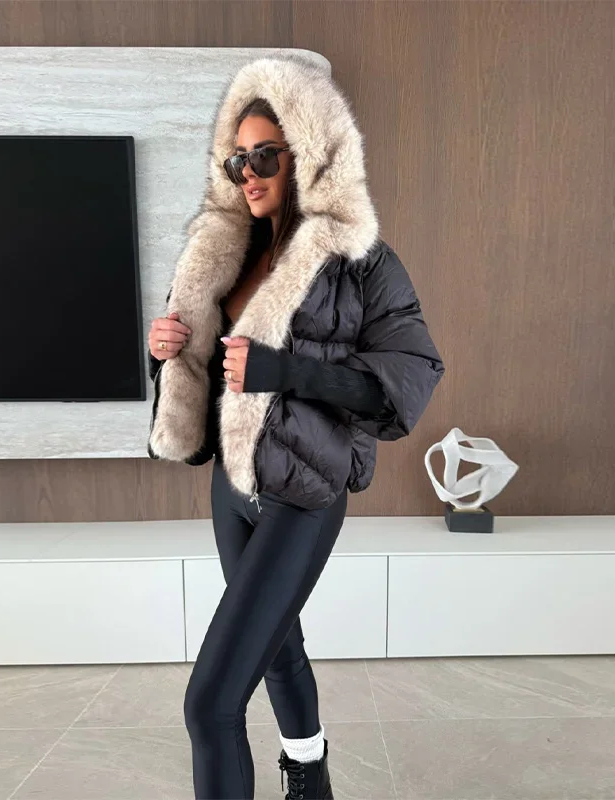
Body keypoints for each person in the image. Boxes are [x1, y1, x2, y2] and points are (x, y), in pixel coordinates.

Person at [147, 57, 444, 800]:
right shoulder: (226, 255)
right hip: (233, 489)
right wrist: (167, 354)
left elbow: (406, 385)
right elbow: (214, 386)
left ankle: (307, 777)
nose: (248, 174)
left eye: (265, 156)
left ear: (310, 150)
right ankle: (309, 775)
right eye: (237, 159)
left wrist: (284, 371)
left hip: (303, 495)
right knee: (278, 647)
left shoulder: (362, 261)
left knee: (210, 706)